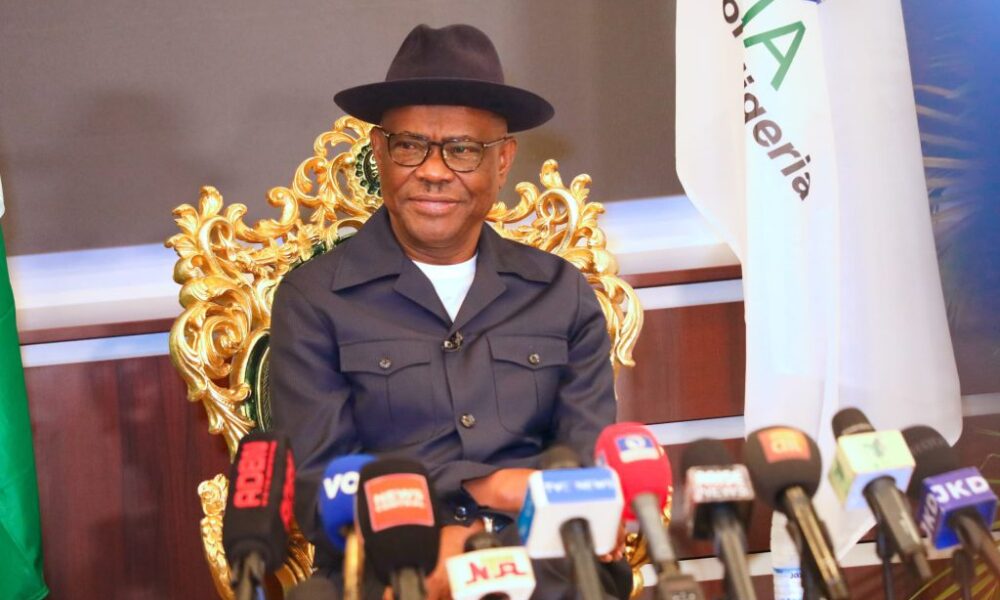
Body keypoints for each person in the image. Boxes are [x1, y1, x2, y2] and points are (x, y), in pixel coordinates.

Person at [270, 23, 629, 599]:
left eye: (462, 150)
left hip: (546, 564)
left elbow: (584, 470)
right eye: (410, 146)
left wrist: (497, 533)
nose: (433, 171)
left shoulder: (559, 292)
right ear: (380, 152)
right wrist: (485, 496)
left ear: (503, 161)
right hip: (390, 564)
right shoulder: (314, 299)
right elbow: (319, 486)